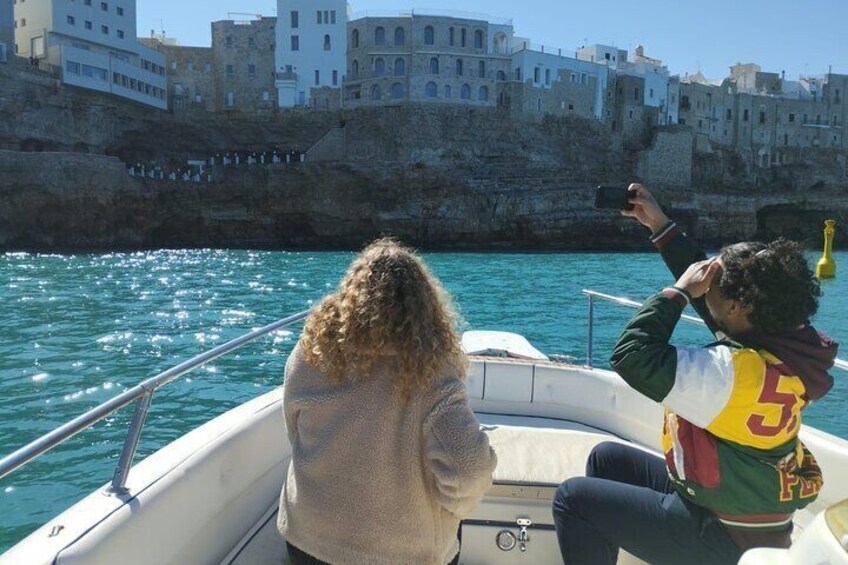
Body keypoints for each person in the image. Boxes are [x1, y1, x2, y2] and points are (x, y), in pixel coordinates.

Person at [552, 184, 838, 564]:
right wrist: (660, 225)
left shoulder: (729, 376)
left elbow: (632, 356)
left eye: (711, 285)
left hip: (722, 536)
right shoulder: (783, 349)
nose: (704, 288)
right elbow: (719, 305)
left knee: (573, 500)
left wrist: (679, 292)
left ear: (736, 306)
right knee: (608, 460)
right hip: (745, 512)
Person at [278, 238, 497, 565]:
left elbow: (294, 430)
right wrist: (451, 510)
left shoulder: (310, 354)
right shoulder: (433, 373)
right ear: (426, 307)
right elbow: (469, 471)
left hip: (307, 542)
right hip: (401, 554)